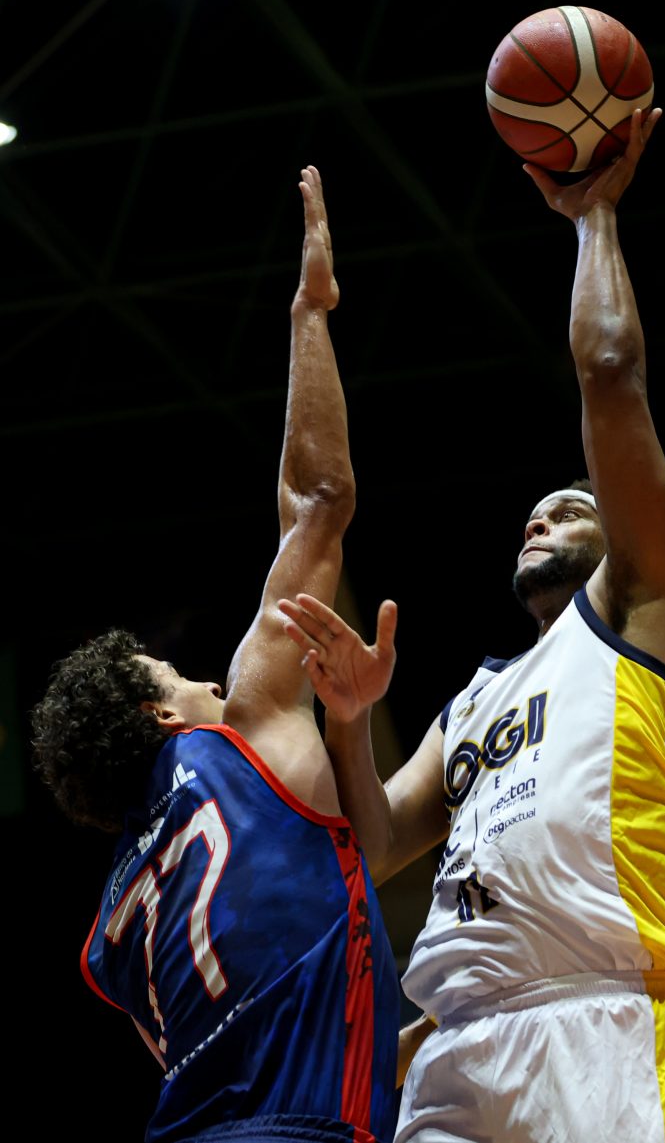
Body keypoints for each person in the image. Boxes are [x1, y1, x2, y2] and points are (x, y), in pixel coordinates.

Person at [277, 110, 665, 1143]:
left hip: (603, 1020)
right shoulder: (474, 701)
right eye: (533, 513)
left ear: (619, 536)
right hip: (459, 1047)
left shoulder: (642, 610)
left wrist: (593, 216)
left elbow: (611, 373)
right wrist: (348, 719)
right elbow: (376, 844)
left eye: (568, 509)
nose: (538, 519)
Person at [29, 166, 401, 1143]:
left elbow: (340, 877)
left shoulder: (114, 928)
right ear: (159, 718)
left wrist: (351, 729)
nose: (201, 677)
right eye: (174, 678)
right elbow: (318, 501)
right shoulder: (237, 737)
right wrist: (310, 314)